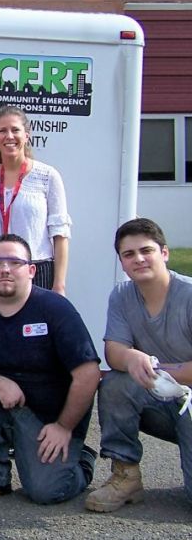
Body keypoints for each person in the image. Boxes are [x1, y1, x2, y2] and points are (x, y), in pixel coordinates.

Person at [0, 233, 100, 504]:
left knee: (45, 491)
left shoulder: (55, 309)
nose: (5, 269)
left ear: (32, 270)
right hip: (3, 406)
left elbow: (89, 373)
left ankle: (80, 459)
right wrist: (0, 384)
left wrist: (63, 426)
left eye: (15, 262)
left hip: (50, 419)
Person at [86, 218, 192, 512]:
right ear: (121, 262)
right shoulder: (121, 295)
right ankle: (126, 476)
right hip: (159, 400)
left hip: (189, 402)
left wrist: (159, 369)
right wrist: (132, 357)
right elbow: (114, 351)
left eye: (147, 250)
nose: (139, 259)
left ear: (165, 253)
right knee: (116, 383)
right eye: (129, 254)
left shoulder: (189, 295)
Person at [0, 105, 71, 294]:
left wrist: (59, 284)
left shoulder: (47, 176)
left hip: (37, 269)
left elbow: (60, 233)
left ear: (27, 135)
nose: (9, 136)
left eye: (15, 130)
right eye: (2, 131)